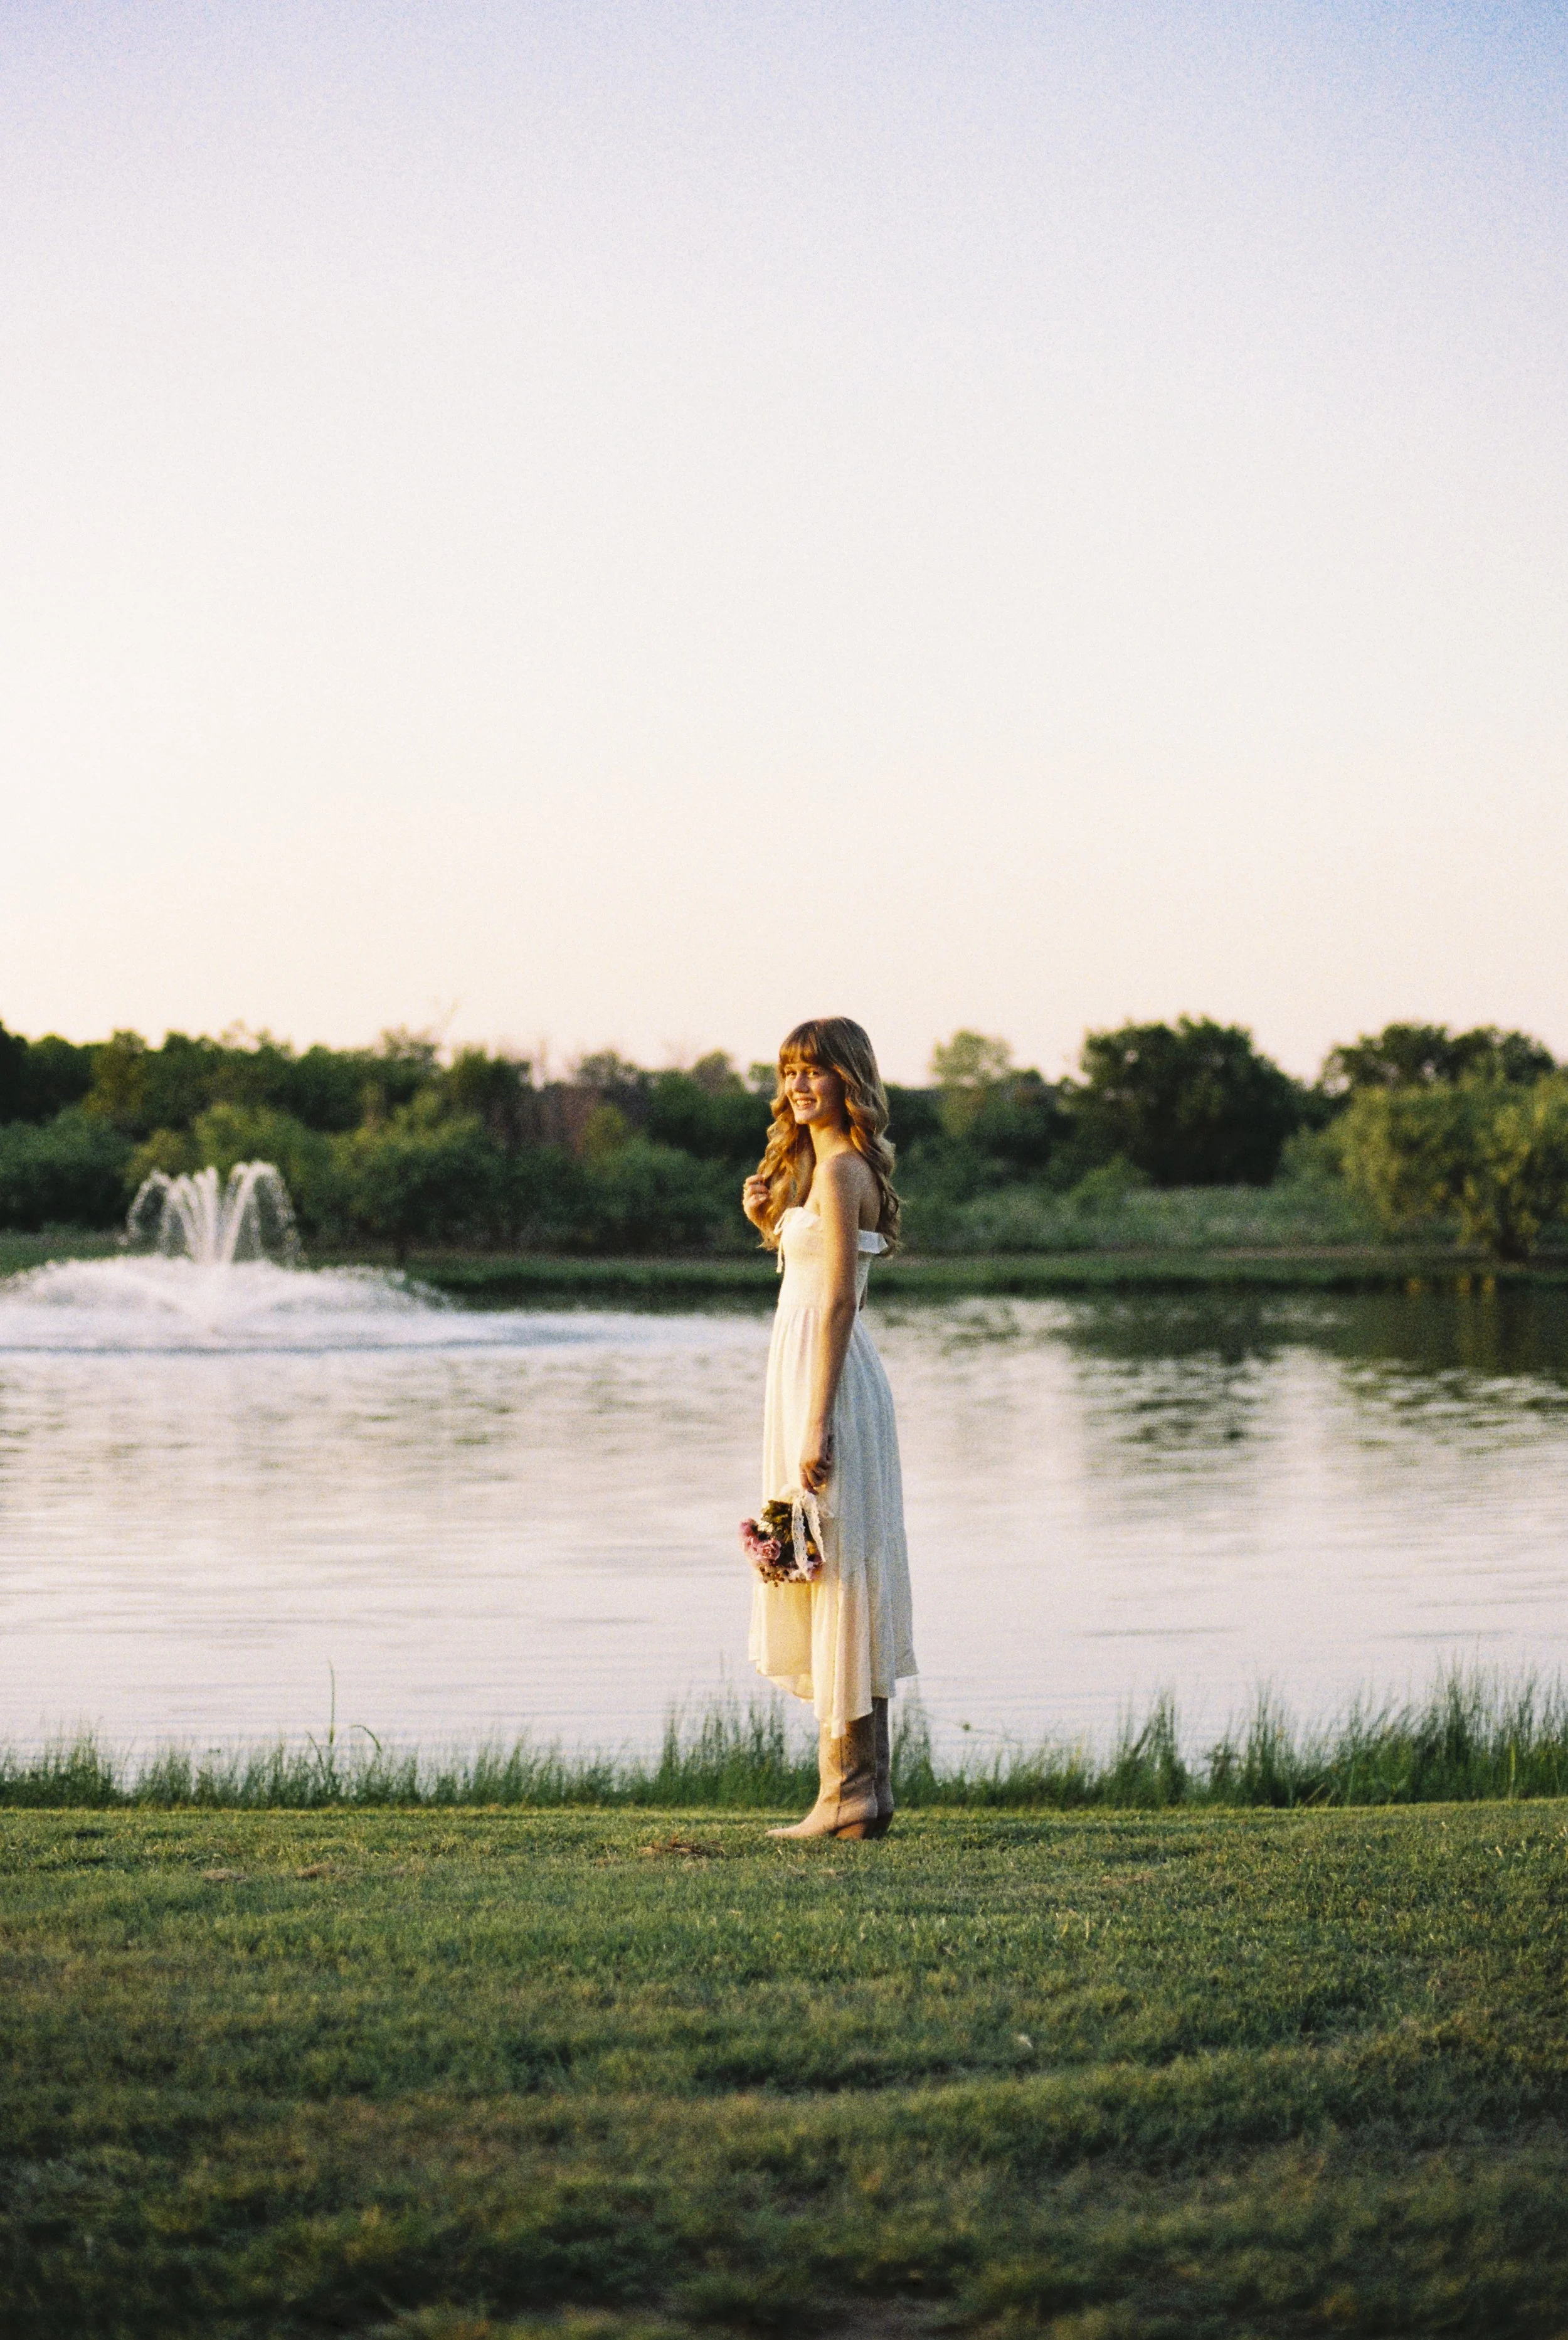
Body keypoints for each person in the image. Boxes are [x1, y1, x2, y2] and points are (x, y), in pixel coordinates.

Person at [741, 1016, 917, 1839]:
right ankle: (866, 1790)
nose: (799, 1087)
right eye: (790, 1073)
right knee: (833, 1566)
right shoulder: (821, 1170)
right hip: (812, 1374)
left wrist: (816, 1421)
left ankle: (845, 1791)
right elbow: (811, 1275)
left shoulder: (844, 1169)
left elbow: (840, 1298)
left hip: (830, 1382)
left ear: (850, 1079)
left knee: (840, 1570)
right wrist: (770, 1225)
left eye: (815, 1071)